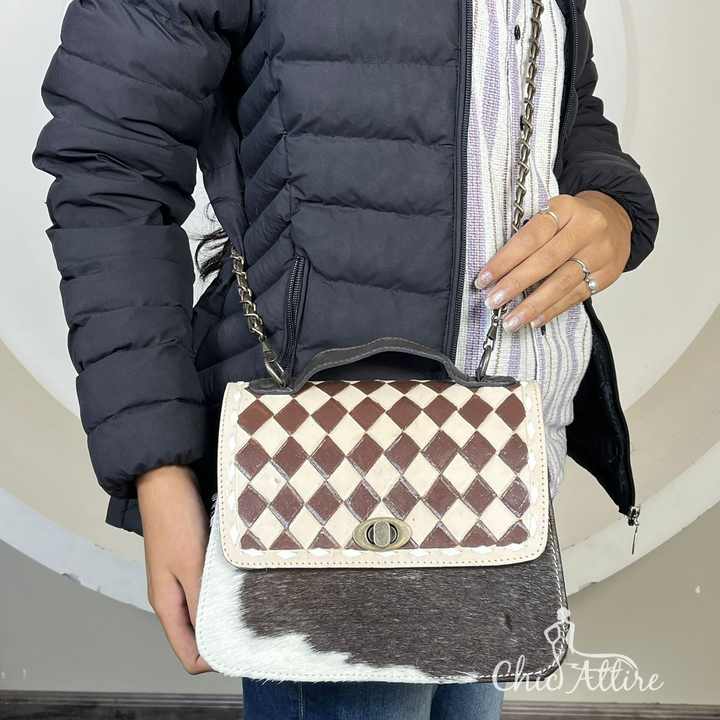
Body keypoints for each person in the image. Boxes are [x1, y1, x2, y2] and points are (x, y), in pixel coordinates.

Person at [32, 0, 659, 717]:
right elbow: (112, 167)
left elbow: (557, 103)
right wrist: (159, 467)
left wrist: (614, 208)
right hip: (322, 479)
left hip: (501, 461)